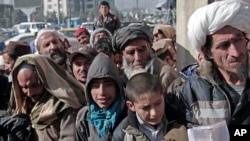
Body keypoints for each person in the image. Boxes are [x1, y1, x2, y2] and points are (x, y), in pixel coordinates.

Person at [166, 0, 250, 128]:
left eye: (238, 40)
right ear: (206, 51)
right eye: (224, 45)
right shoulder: (191, 91)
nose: (236, 52)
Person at [11, 54, 86, 140]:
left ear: (46, 79)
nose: (30, 93)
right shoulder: (23, 108)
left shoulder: (63, 106)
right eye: (24, 87)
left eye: (35, 85)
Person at [112, 72, 188, 141]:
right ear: (131, 106)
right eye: (145, 108)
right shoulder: (122, 135)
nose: (154, 113)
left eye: (158, 103)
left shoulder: (180, 120)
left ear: (163, 95)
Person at [76, 53, 127, 141]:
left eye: (108, 84)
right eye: (95, 86)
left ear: (117, 87)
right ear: (89, 89)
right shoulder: (84, 117)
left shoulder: (129, 114)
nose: (102, 92)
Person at [112, 26, 178, 93]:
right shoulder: (119, 76)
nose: (138, 58)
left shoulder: (165, 75)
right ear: (121, 54)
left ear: (150, 47)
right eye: (131, 52)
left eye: (141, 50)